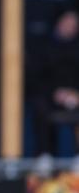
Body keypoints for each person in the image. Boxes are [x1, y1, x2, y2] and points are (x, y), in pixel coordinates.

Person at [30, 10, 79, 157]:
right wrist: (55, 93)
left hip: (75, 95)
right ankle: (45, 154)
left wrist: (74, 93)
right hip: (51, 95)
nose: (70, 27)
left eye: (74, 25)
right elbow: (37, 76)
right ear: (59, 23)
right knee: (40, 106)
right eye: (67, 23)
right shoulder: (44, 45)